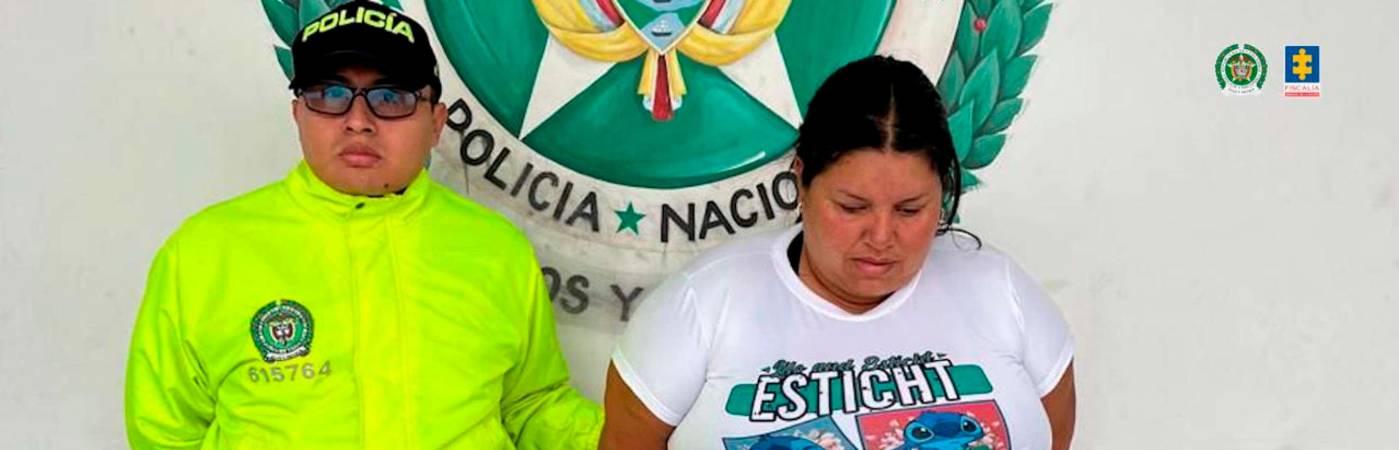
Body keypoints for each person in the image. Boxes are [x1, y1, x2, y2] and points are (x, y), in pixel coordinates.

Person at [124, 2, 600, 448]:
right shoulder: (206, 252)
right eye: (330, 94)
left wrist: (643, 434)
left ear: (436, 122)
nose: (358, 121)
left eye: (390, 97)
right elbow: (164, 434)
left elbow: (530, 405)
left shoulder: (496, 250)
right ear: (298, 114)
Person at [600, 55, 1076, 450]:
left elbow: (1053, 434)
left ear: (944, 191)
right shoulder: (701, 307)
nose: (882, 236)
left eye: (911, 209)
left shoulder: (999, 290)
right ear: (802, 182)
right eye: (852, 207)